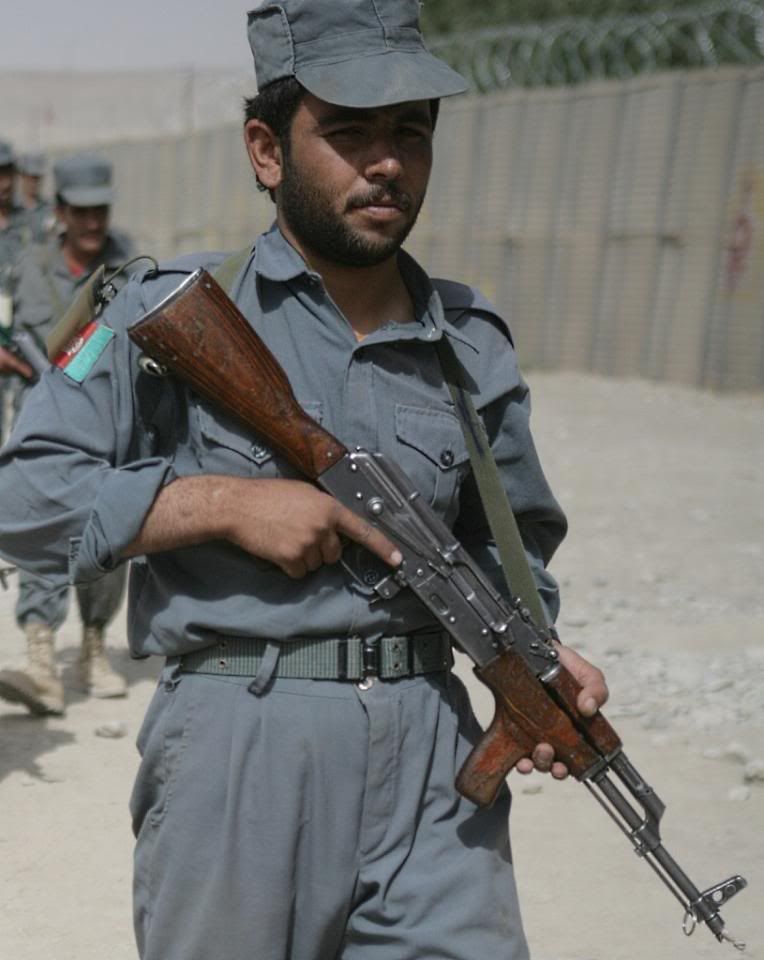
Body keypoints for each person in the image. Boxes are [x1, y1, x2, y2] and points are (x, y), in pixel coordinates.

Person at [0, 2, 609, 958]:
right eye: (350, 132)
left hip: (434, 769)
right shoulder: (162, 318)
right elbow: (22, 502)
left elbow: (511, 551)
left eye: (411, 131)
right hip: (238, 750)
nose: (388, 162)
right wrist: (220, 504)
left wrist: (533, 658)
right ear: (266, 150)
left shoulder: (469, 345)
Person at [0, 153, 135, 716]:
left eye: (100, 210)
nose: (93, 222)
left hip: (110, 418)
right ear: (60, 211)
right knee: (44, 522)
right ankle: (40, 655)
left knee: (110, 528)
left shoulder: (128, 266)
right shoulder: (27, 266)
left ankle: (94, 647)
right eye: (81, 212)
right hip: (40, 413)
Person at [15, 151, 55, 240]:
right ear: (22, 176)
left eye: (37, 178)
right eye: (30, 177)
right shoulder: (11, 207)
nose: (33, 182)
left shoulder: (49, 209)